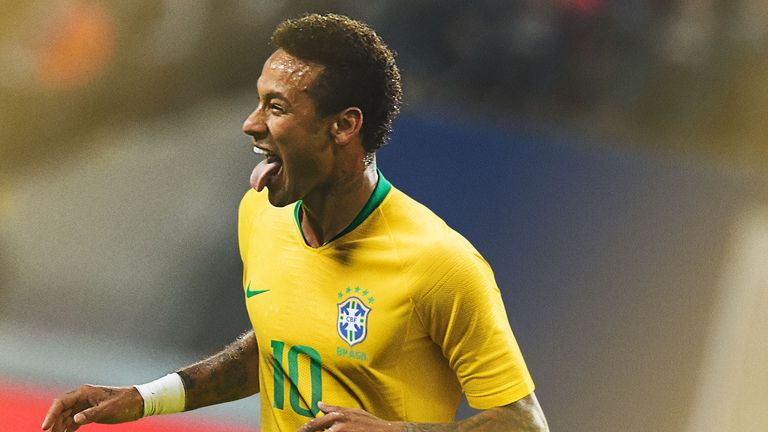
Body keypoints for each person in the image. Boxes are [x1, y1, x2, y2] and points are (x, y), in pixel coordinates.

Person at [42, 13, 549, 432]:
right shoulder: (261, 214)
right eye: (258, 100)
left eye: (276, 106)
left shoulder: (441, 263)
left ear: (345, 126)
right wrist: (144, 398)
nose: (251, 122)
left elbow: (524, 422)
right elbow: (278, 345)